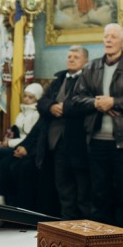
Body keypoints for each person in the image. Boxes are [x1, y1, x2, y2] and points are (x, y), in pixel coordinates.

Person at [65, 24, 123, 229]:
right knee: (99, 192)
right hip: (96, 140)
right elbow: (76, 99)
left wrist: (114, 102)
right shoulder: (91, 67)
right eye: (105, 37)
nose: (108, 40)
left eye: (113, 37)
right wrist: (96, 103)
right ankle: (99, 237)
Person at [24, 46, 92, 218]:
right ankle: (66, 228)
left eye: (76, 56)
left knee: (84, 191)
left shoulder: (90, 80)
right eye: (69, 56)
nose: (71, 59)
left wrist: (66, 108)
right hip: (57, 143)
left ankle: (86, 231)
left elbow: (90, 105)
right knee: (64, 189)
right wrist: (51, 107)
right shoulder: (59, 80)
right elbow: (42, 102)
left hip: (80, 144)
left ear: (86, 61)